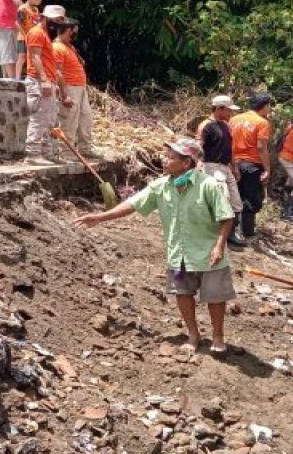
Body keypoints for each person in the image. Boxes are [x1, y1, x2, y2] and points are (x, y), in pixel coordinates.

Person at [75, 139, 236, 352]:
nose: (164, 160)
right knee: (182, 292)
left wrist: (219, 246)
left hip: (208, 252)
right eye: (166, 155)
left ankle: (217, 336)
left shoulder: (207, 185)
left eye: (171, 157)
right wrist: (100, 217)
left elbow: (226, 217)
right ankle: (193, 335)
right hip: (179, 254)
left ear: (186, 163)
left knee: (215, 296)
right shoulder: (161, 186)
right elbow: (132, 204)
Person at [197, 95, 245, 247]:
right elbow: (199, 145)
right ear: (219, 109)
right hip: (211, 165)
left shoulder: (226, 125)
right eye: (228, 110)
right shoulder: (206, 125)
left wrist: (234, 166)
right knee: (219, 199)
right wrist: (198, 162)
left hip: (225, 167)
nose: (230, 113)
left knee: (236, 203)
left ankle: (230, 234)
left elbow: (230, 149)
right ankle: (213, 234)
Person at [24, 4, 68, 165]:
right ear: (45, 17)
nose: (56, 23)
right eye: (55, 20)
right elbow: (35, 57)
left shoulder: (43, 34)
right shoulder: (36, 33)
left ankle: (46, 152)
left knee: (49, 119)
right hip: (38, 80)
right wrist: (43, 80)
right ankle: (33, 154)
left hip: (47, 80)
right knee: (39, 118)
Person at [229, 93, 274, 240]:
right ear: (264, 106)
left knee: (234, 197)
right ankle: (248, 232)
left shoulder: (234, 119)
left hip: (233, 163)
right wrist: (267, 169)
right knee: (250, 198)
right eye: (269, 106)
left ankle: (232, 231)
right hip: (251, 165)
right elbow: (261, 147)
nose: (269, 109)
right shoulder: (262, 122)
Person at [52, 18, 97, 158]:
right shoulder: (57, 47)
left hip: (80, 88)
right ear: (67, 31)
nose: (75, 35)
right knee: (69, 120)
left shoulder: (69, 46)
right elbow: (58, 72)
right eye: (74, 32)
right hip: (70, 88)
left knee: (85, 118)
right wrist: (65, 94)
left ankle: (85, 148)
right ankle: (66, 152)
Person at [14, 0, 44, 81]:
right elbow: (17, 23)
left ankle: (32, 76)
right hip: (23, 37)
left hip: (33, 37)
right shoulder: (23, 9)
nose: (41, 0)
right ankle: (17, 78)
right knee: (22, 56)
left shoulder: (35, 9)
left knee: (33, 57)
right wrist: (25, 35)